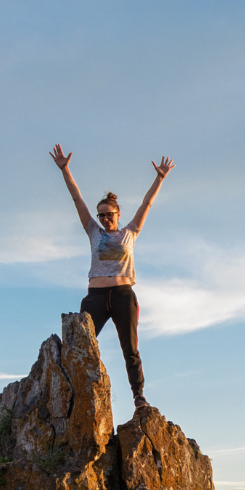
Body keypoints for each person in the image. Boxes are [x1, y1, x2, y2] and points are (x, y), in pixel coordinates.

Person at [49, 144, 172, 409]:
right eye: (101, 215)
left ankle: (138, 396)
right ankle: (70, 393)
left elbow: (147, 203)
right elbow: (77, 200)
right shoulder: (93, 232)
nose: (105, 219)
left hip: (123, 295)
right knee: (78, 342)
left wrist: (159, 178)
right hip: (95, 296)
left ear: (118, 215)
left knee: (130, 349)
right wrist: (65, 170)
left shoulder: (129, 232)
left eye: (109, 215)